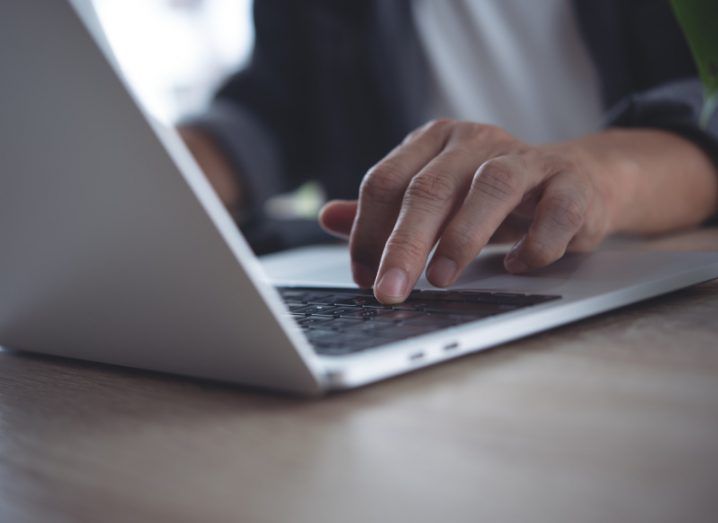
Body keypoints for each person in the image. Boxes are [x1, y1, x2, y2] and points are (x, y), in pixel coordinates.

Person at [179, 0, 718, 304]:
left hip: (649, 276)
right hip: (417, 292)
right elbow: (279, 106)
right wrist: (163, 163)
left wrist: (597, 176)